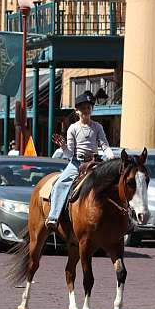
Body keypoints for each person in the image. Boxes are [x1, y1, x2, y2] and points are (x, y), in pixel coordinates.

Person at [45, 91, 114, 230]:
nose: (86, 111)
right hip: (76, 164)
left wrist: (111, 157)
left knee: (114, 184)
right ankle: (53, 217)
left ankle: (123, 220)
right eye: (83, 108)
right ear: (77, 111)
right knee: (60, 184)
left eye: (88, 108)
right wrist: (64, 146)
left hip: (95, 163)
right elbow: (70, 153)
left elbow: (105, 145)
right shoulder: (73, 128)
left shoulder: (98, 127)